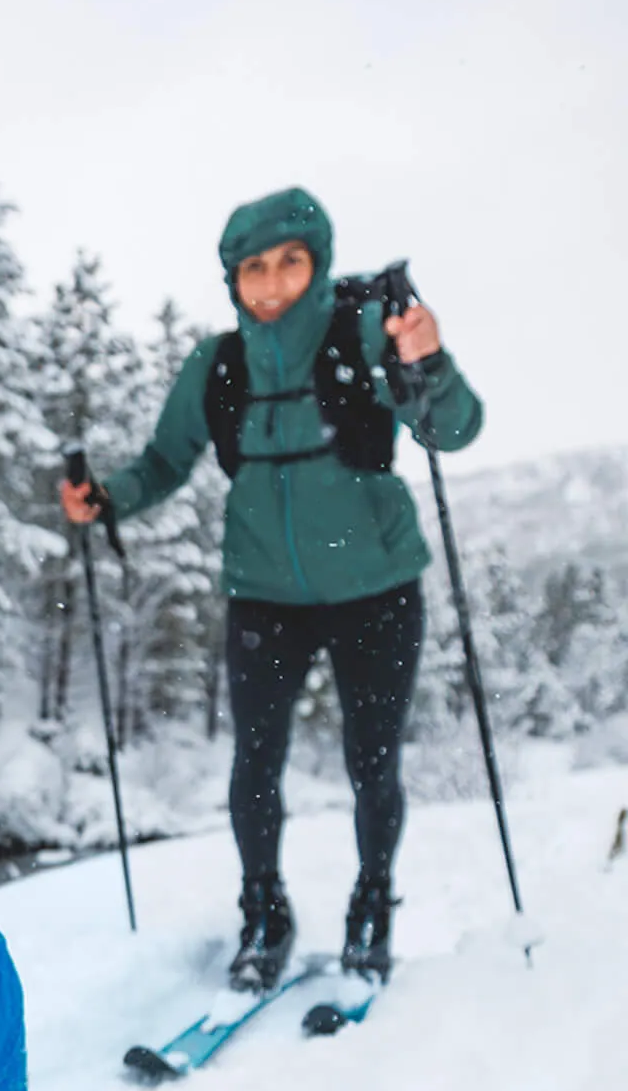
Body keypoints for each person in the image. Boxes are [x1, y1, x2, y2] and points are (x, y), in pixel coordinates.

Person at [60, 186, 482, 988]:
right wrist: (105, 496)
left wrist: (427, 361)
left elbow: (452, 428)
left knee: (373, 760)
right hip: (264, 597)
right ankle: (263, 912)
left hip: (380, 589)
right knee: (254, 765)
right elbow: (163, 463)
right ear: (234, 280)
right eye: (255, 267)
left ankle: (372, 905)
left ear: (317, 264)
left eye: (292, 261)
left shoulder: (367, 332)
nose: (274, 281)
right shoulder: (217, 365)